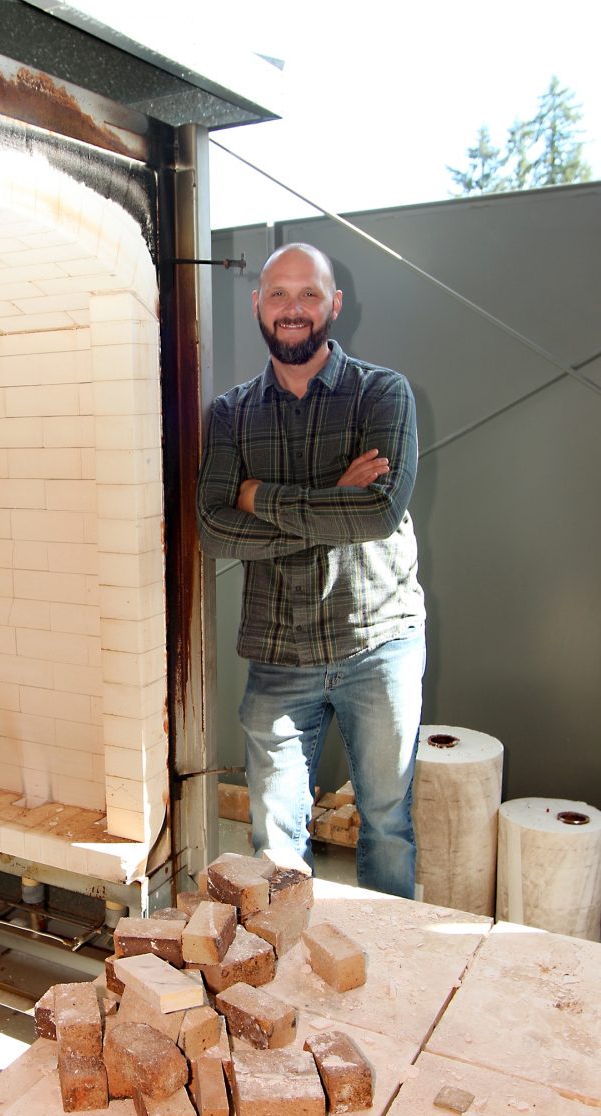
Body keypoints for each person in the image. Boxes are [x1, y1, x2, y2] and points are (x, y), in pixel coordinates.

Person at [197, 242, 425, 899]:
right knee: (274, 841)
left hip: (379, 643)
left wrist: (256, 497)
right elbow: (212, 528)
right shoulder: (231, 414)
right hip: (279, 652)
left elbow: (378, 512)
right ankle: (289, 952)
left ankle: (386, 955)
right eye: (278, 294)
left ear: (335, 304)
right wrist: (332, 501)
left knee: (386, 822)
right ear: (257, 304)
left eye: (309, 294)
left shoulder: (383, 393)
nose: (292, 308)